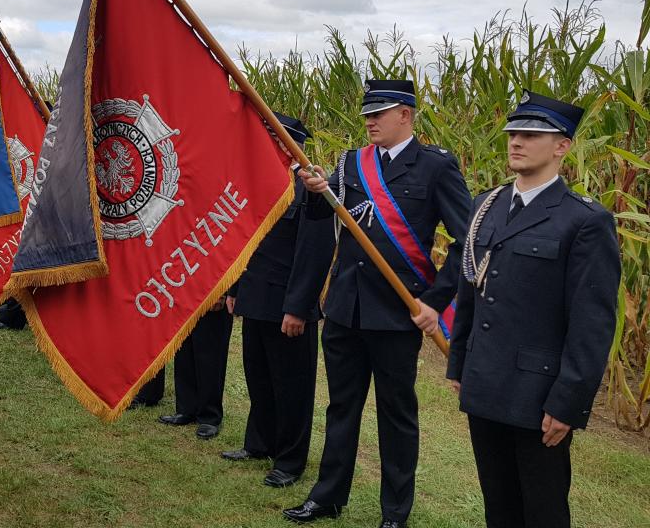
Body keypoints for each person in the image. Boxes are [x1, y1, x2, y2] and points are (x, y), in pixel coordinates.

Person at [284, 79, 472, 528]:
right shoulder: (352, 163)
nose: (369, 121)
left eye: (379, 113)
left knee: (396, 414)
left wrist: (432, 301)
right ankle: (328, 497)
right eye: (367, 113)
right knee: (342, 406)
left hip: (397, 313)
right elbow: (323, 216)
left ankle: (394, 513)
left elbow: (468, 244)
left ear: (405, 115)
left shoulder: (436, 167)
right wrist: (314, 193)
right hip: (346, 307)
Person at [447, 90, 620, 528]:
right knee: (498, 504)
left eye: (530, 134)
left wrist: (567, 403)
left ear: (562, 146)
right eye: (513, 133)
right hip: (486, 382)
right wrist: (459, 364)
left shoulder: (583, 220)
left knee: (542, 510)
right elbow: (472, 287)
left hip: (538, 395)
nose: (516, 141)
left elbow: (591, 323)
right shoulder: (485, 204)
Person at [221, 113, 335, 488]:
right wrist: (235, 290)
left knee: (292, 385)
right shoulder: (256, 184)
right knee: (259, 377)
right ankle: (259, 443)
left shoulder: (310, 191)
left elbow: (314, 252)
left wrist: (298, 307)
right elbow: (243, 244)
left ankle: (289, 460)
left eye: (273, 138)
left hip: (288, 305)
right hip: (255, 297)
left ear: (292, 145)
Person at [157, 299, 233, 440]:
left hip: (214, 288)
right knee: (184, 350)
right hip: (187, 289)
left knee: (210, 353)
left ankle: (209, 416)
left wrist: (222, 292)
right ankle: (186, 409)